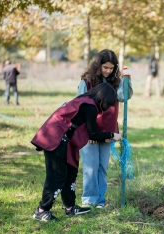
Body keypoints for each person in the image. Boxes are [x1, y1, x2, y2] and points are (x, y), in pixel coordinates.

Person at [31, 83, 122, 221]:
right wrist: (112, 135)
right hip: (57, 139)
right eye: (108, 103)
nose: (107, 107)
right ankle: (41, 210)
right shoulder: (90, 106)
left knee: (70, 173)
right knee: (57, 176)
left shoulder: (85, 101)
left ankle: (70, 207)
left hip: (64, 140)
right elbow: (93, 134)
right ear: (103, 98)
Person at [77, 49, 133, 208]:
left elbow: (123, 97)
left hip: (109, 130)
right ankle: (89, 200)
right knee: (90, 168)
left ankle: (100, 200)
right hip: (90, 130)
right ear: (98, 65)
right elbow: (80, 105)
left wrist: (127, 81)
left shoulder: (116, 82)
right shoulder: (87, 81)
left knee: (102, 167)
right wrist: (87, 132)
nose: (108, 71)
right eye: (105, 67)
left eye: (111, 68)